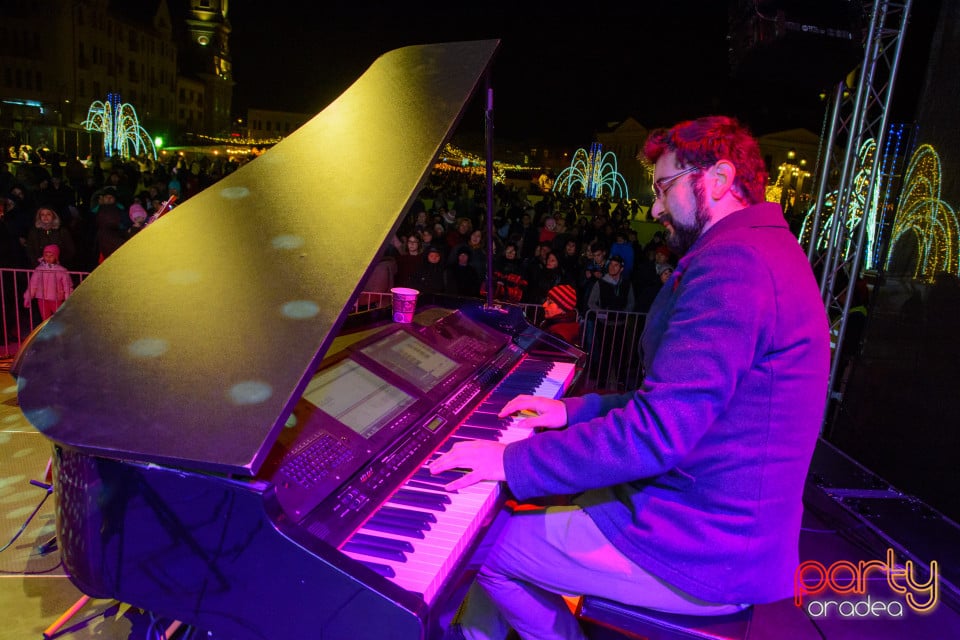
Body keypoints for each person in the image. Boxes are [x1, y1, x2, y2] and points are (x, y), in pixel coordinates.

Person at [430, 115, 831, 640]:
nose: (655, 208)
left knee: (484, 550)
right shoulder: (762, 248)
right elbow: (673, 402)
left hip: (702, 543)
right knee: (520, 513)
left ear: (718, 178)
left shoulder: (735, 264)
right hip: (711, 524)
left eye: (664, 188)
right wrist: (570, 410)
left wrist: (509, 460)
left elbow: (657, 432)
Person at [24, 244, 74, 320]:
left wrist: (68, 301)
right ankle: (48, 328)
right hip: (42, 299)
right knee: (45, 319)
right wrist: (28, 297)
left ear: (56, 257)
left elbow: (67, 287)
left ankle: (59, 328)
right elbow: (33, 285)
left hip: (56, 299)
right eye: (46, 255)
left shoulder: (62, 270)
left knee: (59, 318)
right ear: (43, 256)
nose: (48, 257)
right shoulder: (39, 269)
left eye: (51, 255)